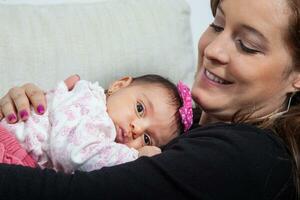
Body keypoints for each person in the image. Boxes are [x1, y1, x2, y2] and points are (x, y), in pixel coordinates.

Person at [0, 0, 298, 199]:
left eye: (247, 46)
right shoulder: (181, 117)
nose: (213, 50)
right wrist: (29, 116)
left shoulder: (251, 157)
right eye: (217, 25)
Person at [0, 74, 193, 173]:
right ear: (119, 85)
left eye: (147, 138)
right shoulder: (90, 104)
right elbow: (74, 154)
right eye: (140, 109)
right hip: (9, 149)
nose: (137, 129)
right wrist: (137, 156)